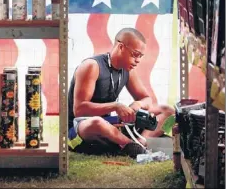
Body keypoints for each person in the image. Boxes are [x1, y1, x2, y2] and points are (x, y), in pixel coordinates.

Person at [67, 28, 175, 158]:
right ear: (121, 47)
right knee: (97, 122)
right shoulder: (92, 66)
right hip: (82, 127)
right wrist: (115, 106)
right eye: (135, 54)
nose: (138, 60)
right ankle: (130, 144)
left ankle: (140, 143)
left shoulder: (127, 70)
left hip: (109, 124)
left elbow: (147, 98)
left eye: (141, 56)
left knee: (167, 110)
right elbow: (79, 110)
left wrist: (137, 105)